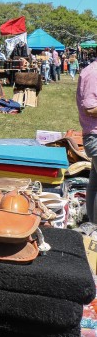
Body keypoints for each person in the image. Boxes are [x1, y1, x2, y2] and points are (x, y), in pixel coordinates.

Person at [77, 58, 97, 222]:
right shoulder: (94, 73)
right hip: (95, 135)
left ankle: (92, 224)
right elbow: (90, 108)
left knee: (94, 182)